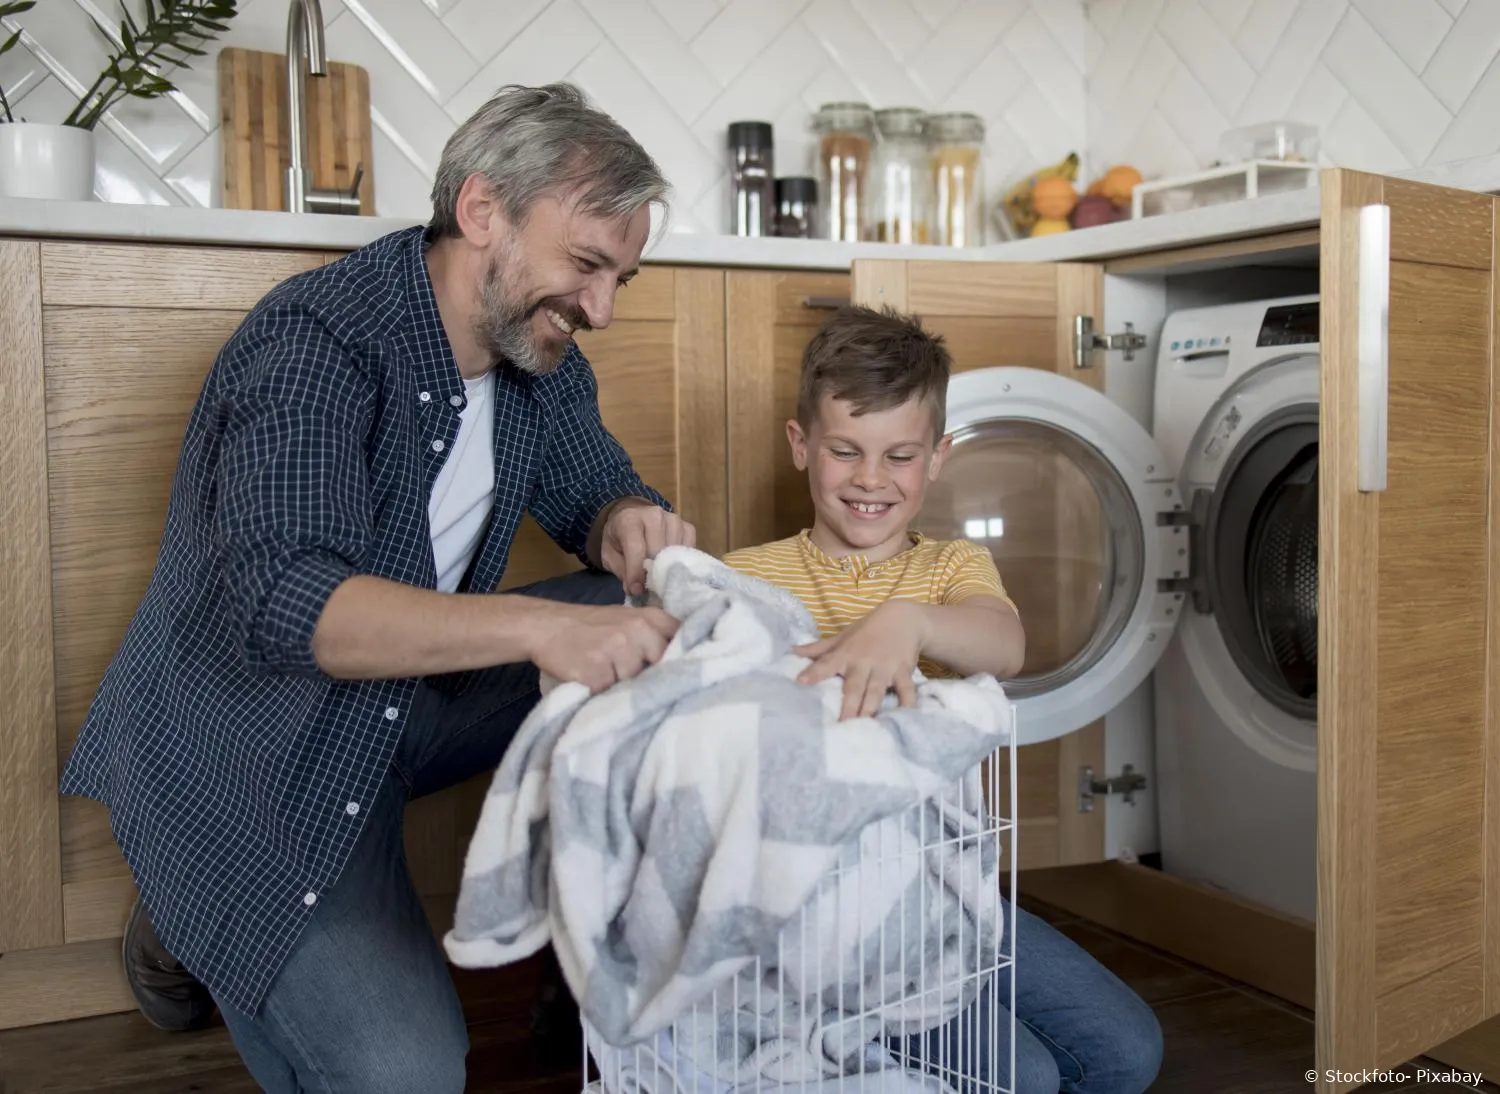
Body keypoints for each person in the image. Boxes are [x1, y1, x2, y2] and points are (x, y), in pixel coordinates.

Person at [58, 83, 695, 1093]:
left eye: (621, 275)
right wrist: (537, 627)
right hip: (254, 753)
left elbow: (592, 484)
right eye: (585, 265)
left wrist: (626, 518)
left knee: (656, 626)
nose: (603, 309)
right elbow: (291, 605)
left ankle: (602, 965)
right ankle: (191, 901)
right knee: (408, 1075)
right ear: (483, 210)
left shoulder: (540, 350)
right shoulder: (318, 339)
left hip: (400, 711)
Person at [720, 305, 1164, 1094]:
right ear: (800, 447)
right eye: (844, 451)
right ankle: (850, 1040)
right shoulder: (746, 577)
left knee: (1128, 1053)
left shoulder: (951, 570)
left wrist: (907, 621)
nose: (869, 479)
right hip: (820, 913)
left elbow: (1006, 645)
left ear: (938, 457)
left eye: (899, 456)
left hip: (947, 895)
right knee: (1021, 1076)